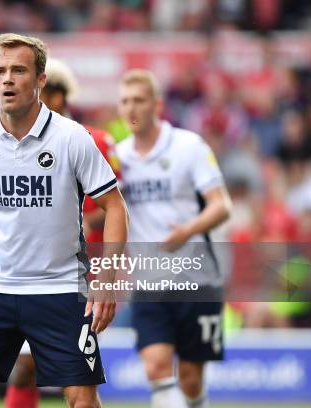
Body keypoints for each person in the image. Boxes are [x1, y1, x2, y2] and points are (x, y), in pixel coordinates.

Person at [0, 33, 128, 408]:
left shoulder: (73, 139)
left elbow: (115, 207)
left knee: (82, 400)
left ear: (41, 80)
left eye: (18, 70)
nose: (7, 79)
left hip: (62, 289)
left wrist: (107, 280)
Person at [114, 69, 232, 408]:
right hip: (149, 283)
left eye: (139, 100)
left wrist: (188, 231)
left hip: (197, 278)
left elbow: (221, 206)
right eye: (124, 101)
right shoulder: (117, 159)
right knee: (156, 367)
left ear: (157, 104)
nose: (131, 109)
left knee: (192, 379)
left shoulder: (188, 146)